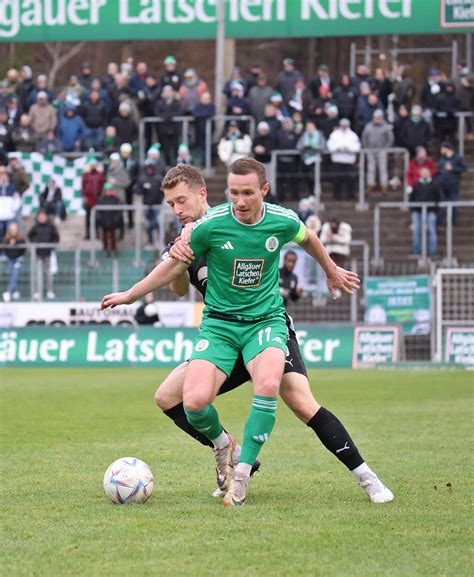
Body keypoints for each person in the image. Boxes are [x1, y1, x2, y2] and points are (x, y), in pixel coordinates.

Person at [101, 161, 393, 507]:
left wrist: (330, 270)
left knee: (300, 401)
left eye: (182, 201)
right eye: (171, 205)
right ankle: (228, 449)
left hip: (264, 326)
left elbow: (306, 236)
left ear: (202, 194)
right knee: (169, 397)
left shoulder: (247, 221)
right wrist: (176, 255)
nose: (177, 210)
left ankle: (365, 476)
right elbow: (179, 286)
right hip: (224, 332)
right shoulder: (186, 239)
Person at [409, 167, 442, 256]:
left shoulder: (435, 185)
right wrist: (413, 210)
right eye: (423, 173)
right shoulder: (416, 185)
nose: (424, 174)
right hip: (417, 211)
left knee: (432, 231)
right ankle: (417, 251)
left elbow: (439, 198)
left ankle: (432, 251)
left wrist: (434, 210)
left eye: (426, 173)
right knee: (417, 231)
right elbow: (411, 199)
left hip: (430, 211)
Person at [27, 208, 59, 300]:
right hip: (38, 254)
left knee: (49, 274)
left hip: (48, 253)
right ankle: (37, 291)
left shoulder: (51, 226)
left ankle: (50, 291)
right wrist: (35, 244)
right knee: (38, 274)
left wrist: (51, 246)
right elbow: (30, 236)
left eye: (43, 216)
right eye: (40, 216)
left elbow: (56, 237)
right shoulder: (35, 226)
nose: (42, 218)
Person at [327, 118, 361, 200]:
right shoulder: (334, 134)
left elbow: (357, 146)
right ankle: (336, 196)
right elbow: (330, 145)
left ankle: (350, 196)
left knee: (350, 180)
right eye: (343, 125)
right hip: (337, 160)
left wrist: (349, 148)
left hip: (349, 161)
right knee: (336, 180)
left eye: (345, 125)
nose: (344, 126)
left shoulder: (353, 135)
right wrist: (337, 148)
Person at [361, 109, 394, 193]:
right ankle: (370, 185)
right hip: (370, 150)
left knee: (383, 169)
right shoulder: (368, 126)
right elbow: (364, 138)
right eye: (376, 117)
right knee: (371, 168)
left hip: (382, 150)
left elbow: (390, 139)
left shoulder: (386, 127)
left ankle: (384, 185)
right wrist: (367, 148)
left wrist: (386, 148)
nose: (377, 119)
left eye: (379, 118)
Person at [436, 142, 467, 225]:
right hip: (442, 185)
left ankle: (452, 221)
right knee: (441, 204)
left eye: (442, 148)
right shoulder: (442, 159)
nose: (441, 150)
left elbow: (464, 168)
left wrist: (453, 169)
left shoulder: (458, 158)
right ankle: (439, 221)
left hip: (453, 185)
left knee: (453, 203)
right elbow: (437, 169)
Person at [81, 155, 105, 239]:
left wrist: (101, 196)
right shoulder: (86, 175)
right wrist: (85, 196)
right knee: (88, 217)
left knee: (97, 217)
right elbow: (83, 187)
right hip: (89, 198)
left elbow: (102, 186)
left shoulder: (100, 175)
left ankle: (97, 233)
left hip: (97, 198)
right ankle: (88, 233)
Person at [96, 182, 122, 257]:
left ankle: (114, 249)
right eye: (107, 190)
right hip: (104, 221)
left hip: (113, 221)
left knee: (113, 237)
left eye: (110, 190)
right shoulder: (101, 199)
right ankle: (105, 249)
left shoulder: (116, 199)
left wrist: (116, 219)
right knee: (104, 237)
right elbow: (98, 211)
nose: (109, 191)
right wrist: (100, 220)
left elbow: (118, 211)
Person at [2, 221, 26, 302]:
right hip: (10, 259)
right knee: (11, 275)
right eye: (12, 228)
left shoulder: (20, 238)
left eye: (14, 228)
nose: (13, 230)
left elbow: (23, 249)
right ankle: (15, 291)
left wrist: (16, 244)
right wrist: (10, 245)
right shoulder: (6, 239)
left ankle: (8, 292)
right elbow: (5, 249)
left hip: (18, 259)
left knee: (15, 275)